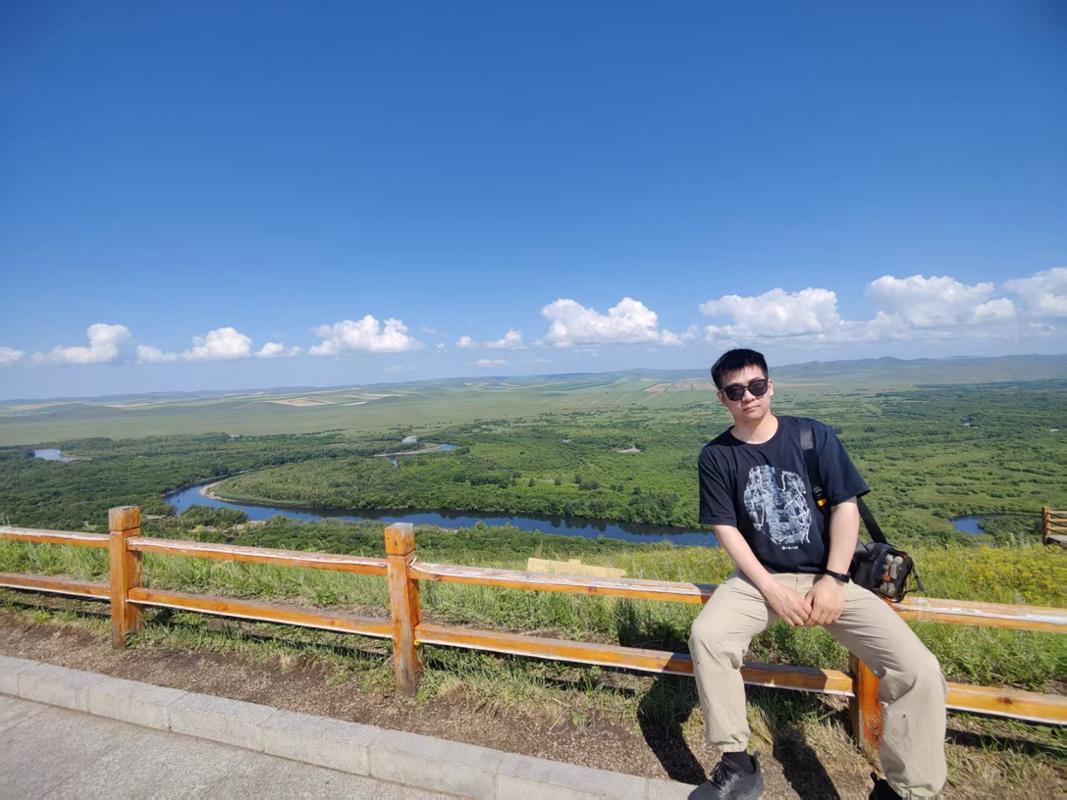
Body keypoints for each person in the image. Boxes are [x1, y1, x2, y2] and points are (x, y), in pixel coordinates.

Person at [690, 348, 946, 800]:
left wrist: (833, 579)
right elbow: (725, 528)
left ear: (771, 386)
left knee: (917, 668)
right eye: (735, 391)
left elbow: (846, 506)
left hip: (831, 575)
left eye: (756, 385)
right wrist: (770, 588)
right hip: (759, 580)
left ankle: (909, 790)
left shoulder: (812, 436)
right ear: (721, 398)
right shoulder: (717, 455)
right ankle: (738, 763)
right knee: (708, 636)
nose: (748, 396)